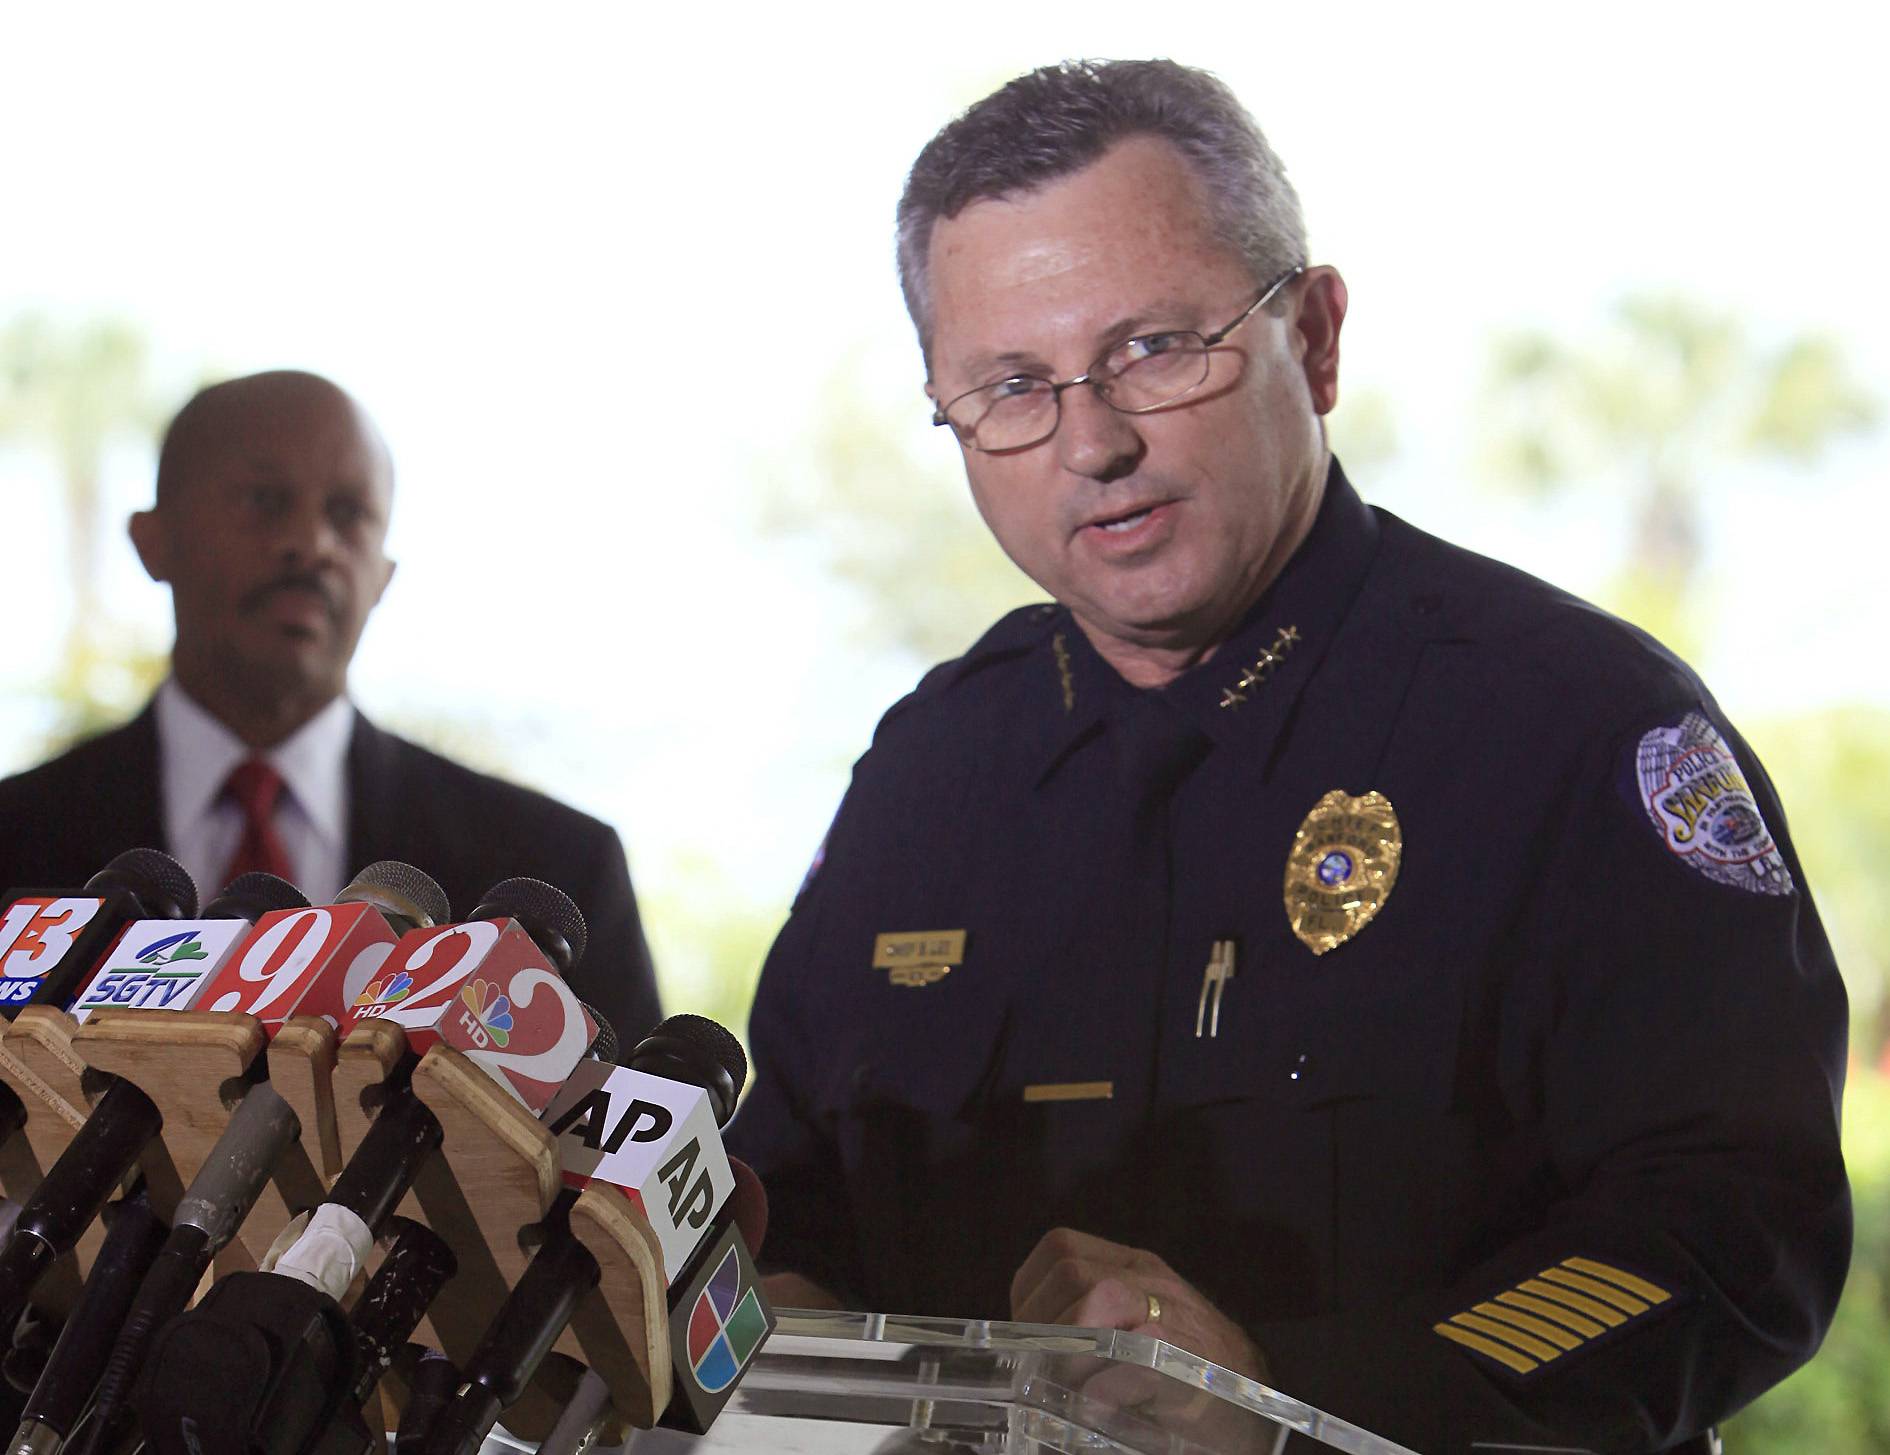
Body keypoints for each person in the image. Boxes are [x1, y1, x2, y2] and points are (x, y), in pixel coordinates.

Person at [726, 60, 1849, 1453]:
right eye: (1011, 385)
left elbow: (1740, 1222)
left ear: (1313, 337)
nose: (1093, 440)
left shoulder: (1571, 725)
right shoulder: (927, 770)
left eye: (1152, 346)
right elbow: (784, 1201)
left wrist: (1293, 1403)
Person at [0, 371, 661, 1044]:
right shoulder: (14, 844)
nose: (310, 544)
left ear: (383, 575)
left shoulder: (556, 875)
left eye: (348, 514)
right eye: (264, 501)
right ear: (152, 539)